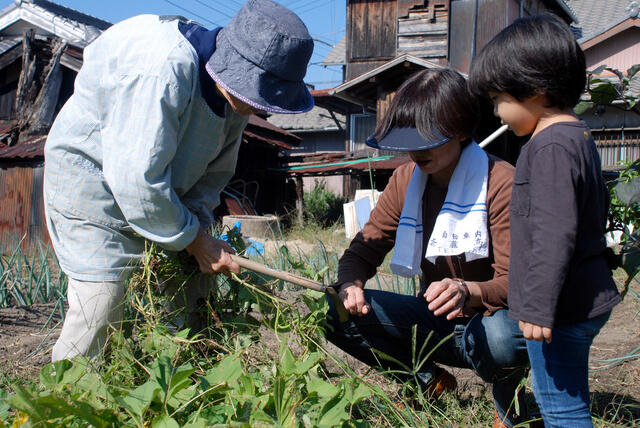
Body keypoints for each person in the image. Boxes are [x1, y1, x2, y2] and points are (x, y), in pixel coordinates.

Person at [44, 0, 314, 362]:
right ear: (234, 68)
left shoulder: (234, 98)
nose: (261, 108)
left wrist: (200, 231)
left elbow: (213, 176)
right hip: (95, 185)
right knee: (101, 304)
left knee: (193, 288)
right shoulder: (162, 70)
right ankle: (64, 401)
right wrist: (193, 239)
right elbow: (136, 180)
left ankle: (175, 386)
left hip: (159, 195)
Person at [325, 68, 532, 428]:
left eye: (429, 140)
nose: (417, 151)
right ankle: (426, 380)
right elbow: (364, 249)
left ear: (462, 131)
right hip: (436, 322)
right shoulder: (408, 180)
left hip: (488, 322)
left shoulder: (501, 184)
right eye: (410, 140)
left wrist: (467, 291)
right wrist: (350, 285)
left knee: (504, 337)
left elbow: (516, 284)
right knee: (338, 317)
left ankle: (510, 402)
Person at [468, 14, 622, 427]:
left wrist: (536, 308)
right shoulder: (577, 137)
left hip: (561, 308)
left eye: (500, 99)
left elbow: (554, 233)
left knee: (561, 409)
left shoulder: (550, 145)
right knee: (567, 398)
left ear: (535, 89)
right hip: (578, 298)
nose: (497, 113)